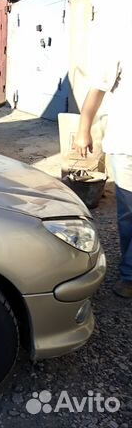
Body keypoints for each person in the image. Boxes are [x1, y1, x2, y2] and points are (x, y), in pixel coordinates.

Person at [73, 42, 132, 298]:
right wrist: (83, 130)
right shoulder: (123, 46)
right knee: (129, 214)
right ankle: (130, 275)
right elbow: (96, 90)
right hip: (126, 145)